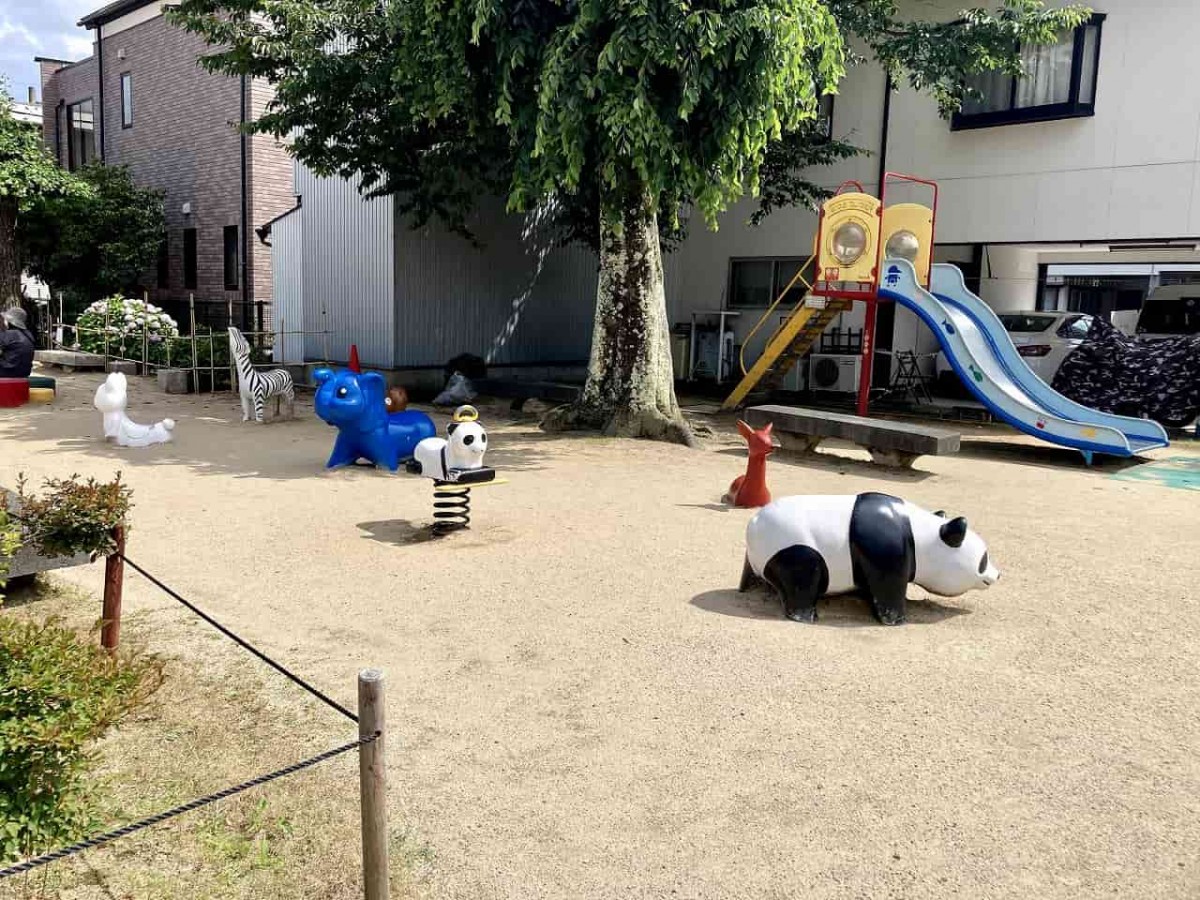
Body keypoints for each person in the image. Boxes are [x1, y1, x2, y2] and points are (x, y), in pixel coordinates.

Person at [0, 307, 36, 379]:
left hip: (7, 371)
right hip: (24, 372)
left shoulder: (9, 334)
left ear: (10, 321)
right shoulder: (29, 335)